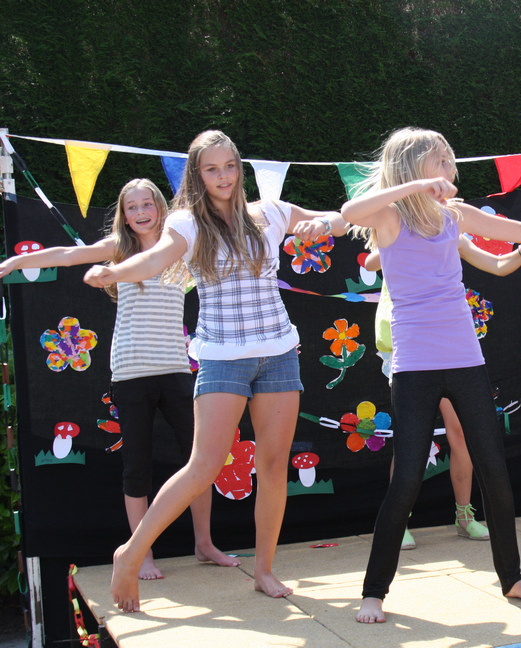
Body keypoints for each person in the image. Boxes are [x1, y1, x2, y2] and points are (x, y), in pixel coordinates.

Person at [83, 130, 341, 612]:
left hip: (279, 353)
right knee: (204, 466)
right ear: (197, 176)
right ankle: (130, 553)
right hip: (223, 357)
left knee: (273, 467)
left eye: (229, 166)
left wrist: (322, 223)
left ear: (239, 168)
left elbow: (339, 220)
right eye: (211, 169)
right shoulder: (186, 222)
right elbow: (155, 258)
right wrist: (115, 272)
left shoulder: (270, 212)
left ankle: (264, 570)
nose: (222, 177)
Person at [341, 127, 521, 623]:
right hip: (413, 365)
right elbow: (350, 212)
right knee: (406, 479)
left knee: (494, 469)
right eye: (442, 162)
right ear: (414, 167)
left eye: (450, 163)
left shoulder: (454, 216)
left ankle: (513, 578)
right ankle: (374, 592)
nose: (451, 172)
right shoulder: (389, 218)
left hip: (465, 358)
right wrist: (416, 187)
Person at [0, 178, 240, 580]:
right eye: (132, 207)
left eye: (147, 204)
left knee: (199, 460)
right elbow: (68, 254)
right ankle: (139, 552)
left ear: (160, 208)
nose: (141, 212)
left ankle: (204, 543)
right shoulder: (120, 249)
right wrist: (15, 262)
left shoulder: (181, 245)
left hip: (175, 370)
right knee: (137, 465)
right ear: (124, 216)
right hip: (130, 372)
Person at [366, 237, 521, 548]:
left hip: (448, 340)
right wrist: (403, 238)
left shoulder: (451, 231)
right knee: (410, 439)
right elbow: (370, 262)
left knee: (460, 431)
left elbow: (495, 263)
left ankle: (464, 516)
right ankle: (398, 522)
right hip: (409, 342)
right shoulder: (398, 229)